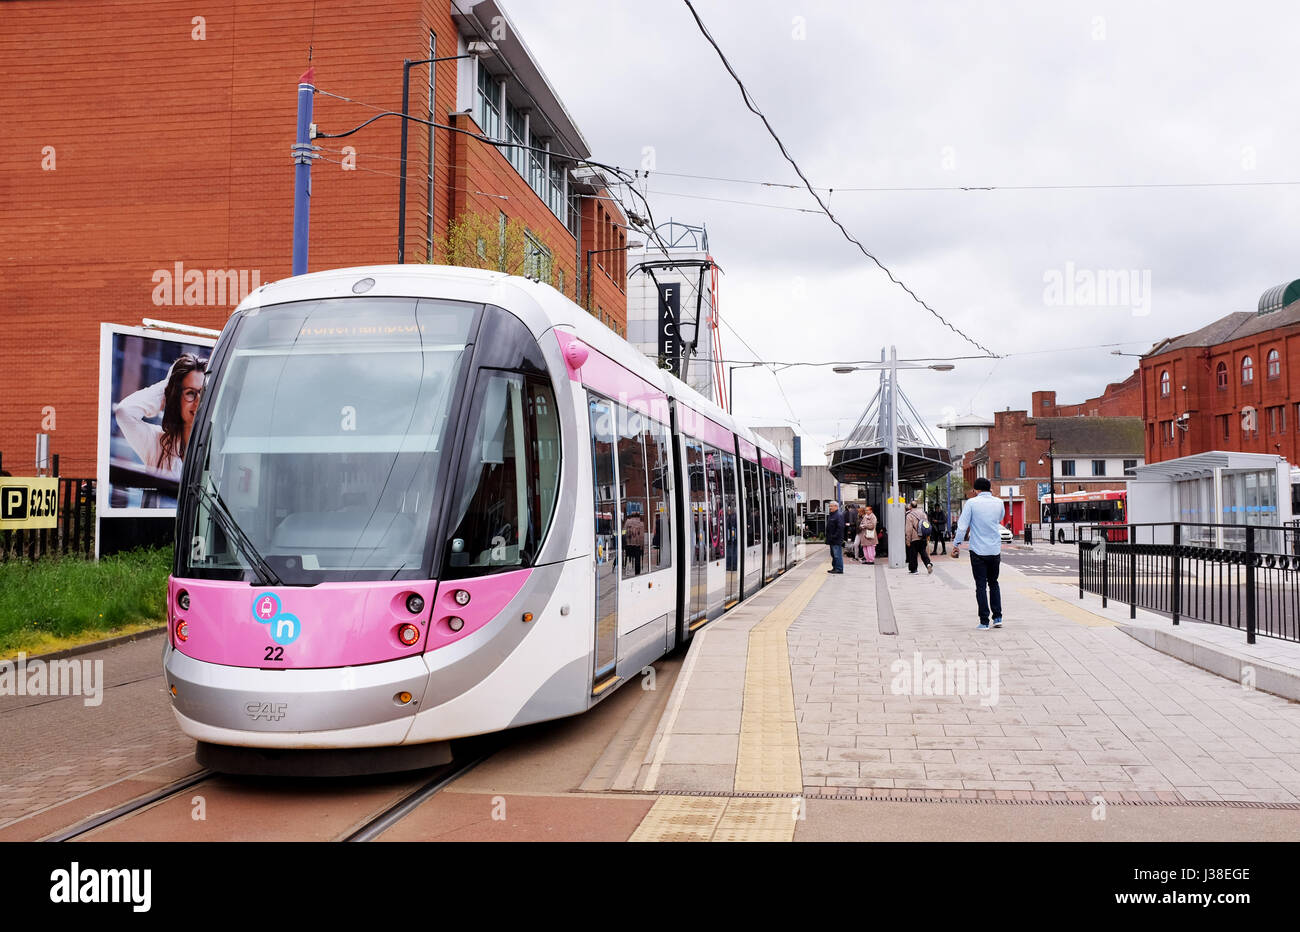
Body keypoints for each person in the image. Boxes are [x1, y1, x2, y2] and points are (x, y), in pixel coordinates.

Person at [113, 353, 207, 481]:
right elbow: (124, 412)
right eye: (190, 393)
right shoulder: (157, 444)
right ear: (176, 397)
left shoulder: (216, 450)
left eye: (203, 393)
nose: (198, 402)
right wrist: (169, 385)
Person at [951, 477, 1005, 629]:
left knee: (981, 585)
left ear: (976, 490)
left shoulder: (971, 503)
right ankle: (998, 617)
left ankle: (984, 621)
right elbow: (1000, 518)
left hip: (978, 550)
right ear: (989, 489)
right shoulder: (999, 502)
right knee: (994, 583)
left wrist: (956, 544)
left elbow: (962, 526)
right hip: (994, 549)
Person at [905, 500, 933, 575]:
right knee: (923, 552)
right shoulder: (923, 514)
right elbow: (927, 525)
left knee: (913, 554)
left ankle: (914, 570)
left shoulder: (909, 515)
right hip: (923, 537)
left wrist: (908, 540)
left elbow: (908, 529)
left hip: (914, 538)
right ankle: (928, 564)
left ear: (910, 506)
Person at [624, 507, 645, 576]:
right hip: (637, 545)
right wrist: (642, 546)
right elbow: (641, 536)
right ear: (638, 516)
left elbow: (624, 532)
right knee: (637, 559)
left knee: (628, 557)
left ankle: (626, 571)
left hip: (628, 544)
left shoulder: (627, 522)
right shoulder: (641, 523)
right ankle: (637, 572)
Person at [825, 500, 845, 574]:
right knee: (833, 554)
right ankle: (835, 568)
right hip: (831, 539)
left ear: (836, 506)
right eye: (829, 506)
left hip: (836, 539)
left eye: (831, 506)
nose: (830, 507)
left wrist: (834, 536)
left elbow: (840, 527)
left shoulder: (838, 515)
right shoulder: (832, 514)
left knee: (837, 554)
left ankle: (839, 569)